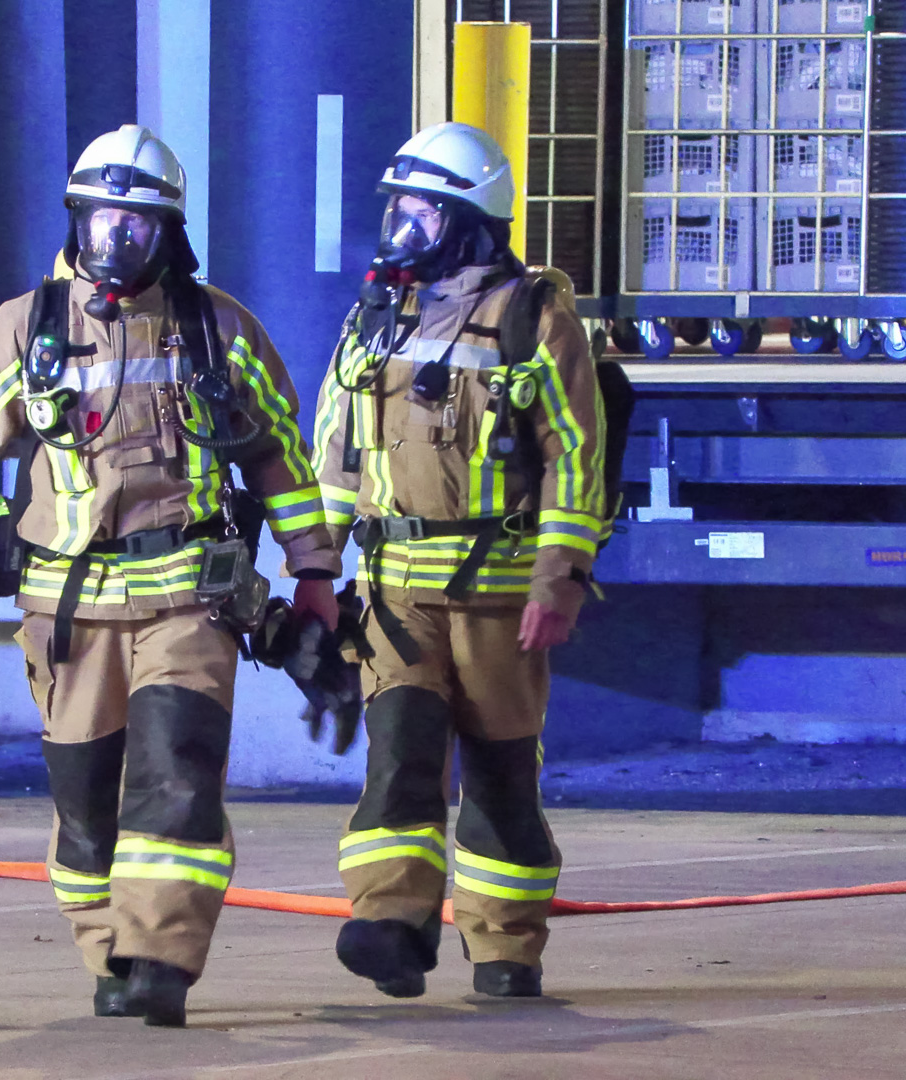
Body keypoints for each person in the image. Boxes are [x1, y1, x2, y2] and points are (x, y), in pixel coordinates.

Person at [0, 124, 340, 1027]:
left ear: (168, 231)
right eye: (102, 219)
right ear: (76, 219)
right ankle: (109, 952)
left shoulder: (219, 330)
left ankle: (162, 959)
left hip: (189, 601)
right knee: (86, 804)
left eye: (137, 223)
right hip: (68, 613)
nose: (117, 238)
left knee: (178, 773)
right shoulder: (26, 330)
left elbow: (281, 456)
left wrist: (313, 571)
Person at [311, 121, 608, 999]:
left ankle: (506, 947)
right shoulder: (375, 317)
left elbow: (575, 460)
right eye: (397, 208)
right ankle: (391, 928)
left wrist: (559, 580)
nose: (401, 225)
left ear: (469, 221)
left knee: (500, 773)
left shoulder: (533, 320)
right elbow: (336, 455)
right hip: (394, 591)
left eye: (422, 211)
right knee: (399, 756)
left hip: (499, 596)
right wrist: (316, 578)